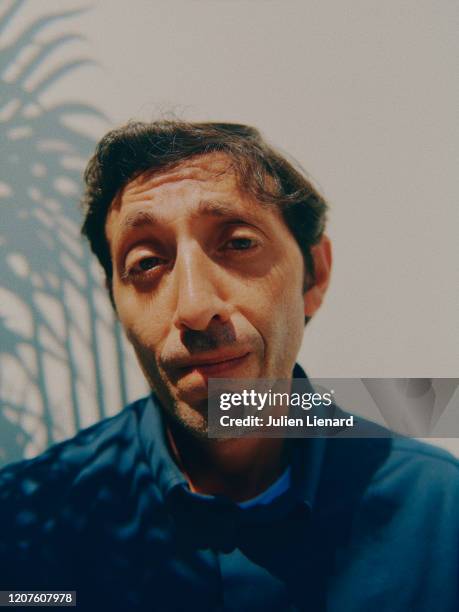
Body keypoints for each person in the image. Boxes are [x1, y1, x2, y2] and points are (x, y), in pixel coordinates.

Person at [0, 121, 457, 612]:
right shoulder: (28, 521)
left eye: (238, 243)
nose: (195, 306)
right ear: (116, 304)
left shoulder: (439, 515)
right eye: (147, 262)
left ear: (314, 274)